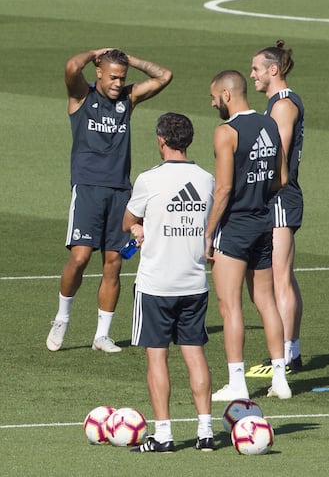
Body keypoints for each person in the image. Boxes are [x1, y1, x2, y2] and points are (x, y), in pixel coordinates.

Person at [46, 48, 172, 353]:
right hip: (88, 188)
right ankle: (62, 318)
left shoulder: (127, 99)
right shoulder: (81, 97)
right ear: (98, 72)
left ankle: (102, 335)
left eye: (122, 77)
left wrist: (132, 60)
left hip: (120, 191)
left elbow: (164, 76)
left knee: (114, 263)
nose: (118, 83)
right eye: (113, 76)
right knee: (80, 257)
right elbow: (70, 66)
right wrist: (92, 53)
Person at [123, 112, 215, 452]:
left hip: (157, 284)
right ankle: (206, 432)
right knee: (195, 355)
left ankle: (163, 434)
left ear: (161, 140)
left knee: (156, 358)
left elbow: (128, 220)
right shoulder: (206, 179)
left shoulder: (149, 180)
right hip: (194, 283)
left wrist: (138, 228)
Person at [205, 70, 291, 401]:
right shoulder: (269, 124)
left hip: (236, 226)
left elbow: (224, 188)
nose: (213, 103)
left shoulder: (226, 132)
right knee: (266, 302)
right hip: (263, 221)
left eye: (214, 97)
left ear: (227, 95)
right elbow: (281, 178)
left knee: (230, 306)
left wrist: (208, 232)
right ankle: (280, 380)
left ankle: (237, 383)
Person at [248, 40, 304, 374]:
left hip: (279, 197)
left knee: (279, 278)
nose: (251, 74)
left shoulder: (283, 104)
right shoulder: (275, 104)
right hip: (278, 196)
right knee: (285, 277)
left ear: (273, 70)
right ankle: (291, 352)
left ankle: (282, 357)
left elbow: (277, 154)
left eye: (256, 68)